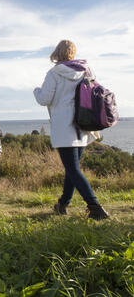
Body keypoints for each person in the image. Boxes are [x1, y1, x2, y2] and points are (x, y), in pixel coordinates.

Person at [33, 39, 109, 220]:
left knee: (73, 169)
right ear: (73, 53)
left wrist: (36, 90)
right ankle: (63, 204)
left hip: (64, 126)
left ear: (57, 53)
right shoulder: (87, 71)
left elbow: (44, 99)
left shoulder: (54, 73)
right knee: (72, 169)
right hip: (83, 125)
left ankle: (95, 207)